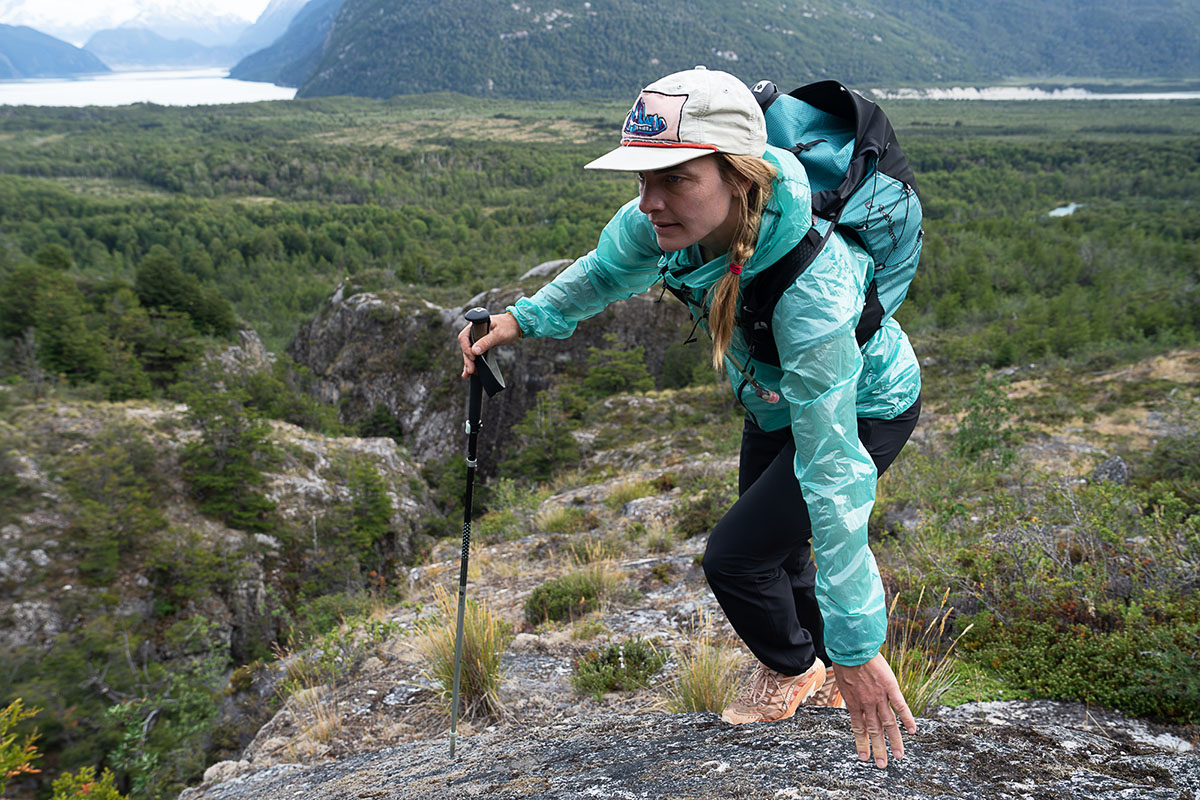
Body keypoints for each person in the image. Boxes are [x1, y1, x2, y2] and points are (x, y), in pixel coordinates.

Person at [458, 67, 921, 769]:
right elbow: (605, 269)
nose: (650, 202)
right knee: (776, 546)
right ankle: (816, 672)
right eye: (643, 179)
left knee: (736, 556)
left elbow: (834, 475)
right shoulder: (668, 221)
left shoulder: (814, 288)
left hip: (864, 405)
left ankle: (801, 669)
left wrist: (864, 648)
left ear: (739, 176)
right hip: (771, 397)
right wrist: (519, 319)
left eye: (675, 177)